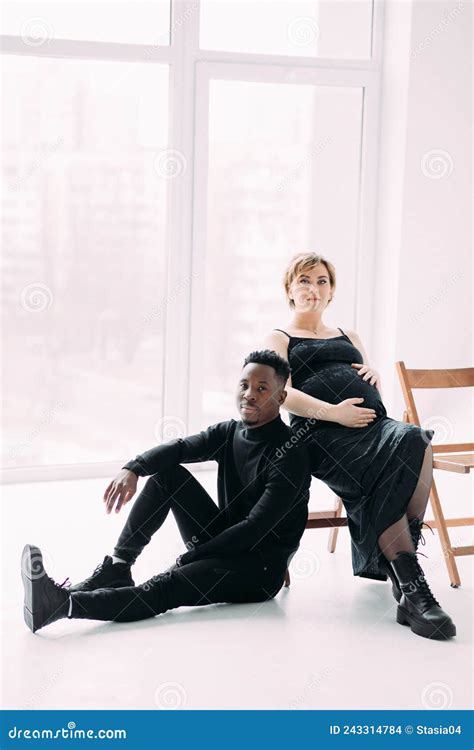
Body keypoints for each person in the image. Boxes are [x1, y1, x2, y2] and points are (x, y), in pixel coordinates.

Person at [21, 350, 311, 634]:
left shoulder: (290, 455)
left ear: (281, 397)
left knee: (166, 586)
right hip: (223, 540)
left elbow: (255, 528)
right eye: (244, 385)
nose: (249, 394)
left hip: (257, 568)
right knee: (167, 474)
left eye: (262, 388)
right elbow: (181, 448)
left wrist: (193, 556)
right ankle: (119, 567)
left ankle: (61, 605)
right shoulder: (230, 432)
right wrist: (133, 468)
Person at [263, 252, 456, 641]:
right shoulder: (278, 338)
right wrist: (334, 413)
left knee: (417, 438)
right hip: (320, 435)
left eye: (321, 281)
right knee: (401, 457)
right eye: (304, 281)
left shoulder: (349, 336)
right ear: (289, 289)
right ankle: (411, 586)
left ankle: (405, 575)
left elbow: (369, 383)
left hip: (374, 427)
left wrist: (375, 374)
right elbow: (280, 393)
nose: (313, 289)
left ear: (331, 290)